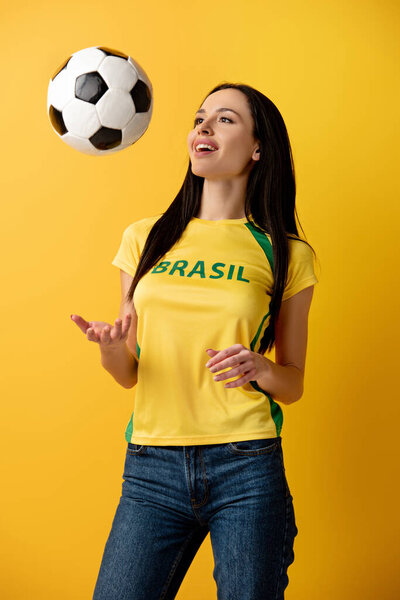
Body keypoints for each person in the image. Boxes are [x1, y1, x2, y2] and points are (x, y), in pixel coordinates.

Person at [71, 83, 319, 600]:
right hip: (151, 468)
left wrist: (260, 367)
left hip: (245, 466)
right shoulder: (146, 237)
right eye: (200, 117)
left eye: (225, 119)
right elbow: (129, 373)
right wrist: (111, 347)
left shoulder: (285, 252)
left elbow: (292, 383)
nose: (203, 127)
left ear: (258, 148)